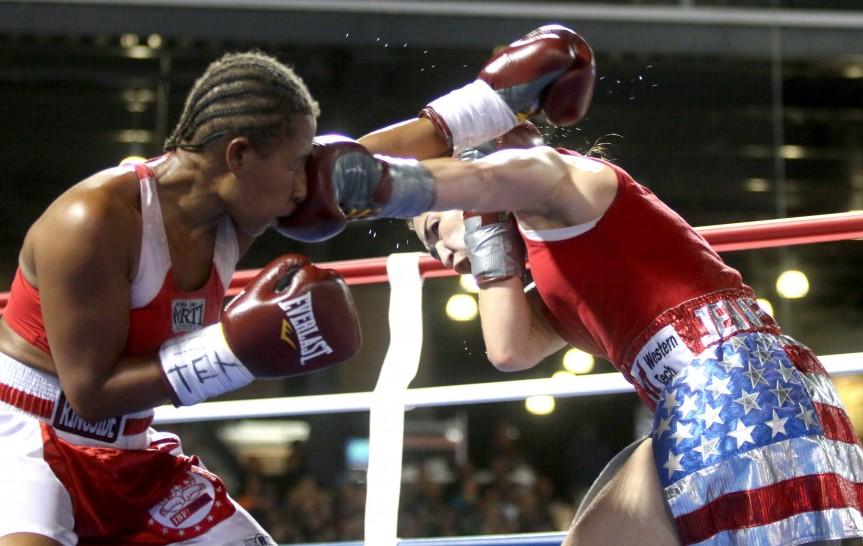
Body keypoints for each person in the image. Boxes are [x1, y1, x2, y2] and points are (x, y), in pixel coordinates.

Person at [0, 25, 594, 545]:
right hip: (28, 439)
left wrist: (494, 104)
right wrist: (233, 352)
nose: (300, 183)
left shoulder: (239, 207)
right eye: (291, 165)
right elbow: (91, 393)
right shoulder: (94, 222)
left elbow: (352, 165)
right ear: (237, 156)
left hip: (131, 448)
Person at [288, 117, 863, 543]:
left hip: (738, 383)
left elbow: (500, 177)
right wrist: (482, 231)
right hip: (696, 405)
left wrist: (376, 177)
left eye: (433, 228)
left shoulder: (570, 185)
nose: (440, 254)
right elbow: (510, 350)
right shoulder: (556, 276)